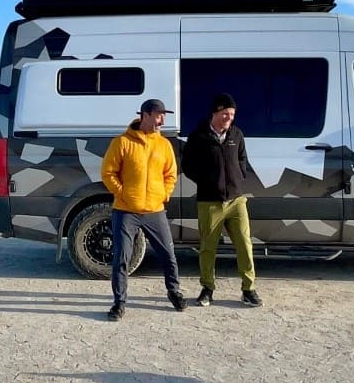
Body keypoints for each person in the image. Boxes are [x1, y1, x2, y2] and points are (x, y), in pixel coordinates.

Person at [101, 98, 188, 321]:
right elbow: (108, 172)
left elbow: (170, 174)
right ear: (145, 115)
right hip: (126, 211)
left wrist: (164, 194)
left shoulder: (164, 145)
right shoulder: (122, 142)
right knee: (122, 257)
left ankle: (174, 291)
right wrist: (122, 193)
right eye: (159, 115)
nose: (162, 120)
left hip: (155, 210)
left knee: (168, 254)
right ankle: (119, 303)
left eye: (163, 116)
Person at [181, 92, 262, 307]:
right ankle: (207, 288)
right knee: (208, 247)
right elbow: (187, 165)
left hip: (236, 201)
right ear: (215, 112)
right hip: (209, 202)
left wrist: (238, 178)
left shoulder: (237, 135)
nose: (229, 118)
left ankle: (249, 289)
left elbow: (242, 160)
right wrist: (207, 181)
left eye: (232, 114)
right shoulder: (198, 136)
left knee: (245, 244)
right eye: (225, 113)